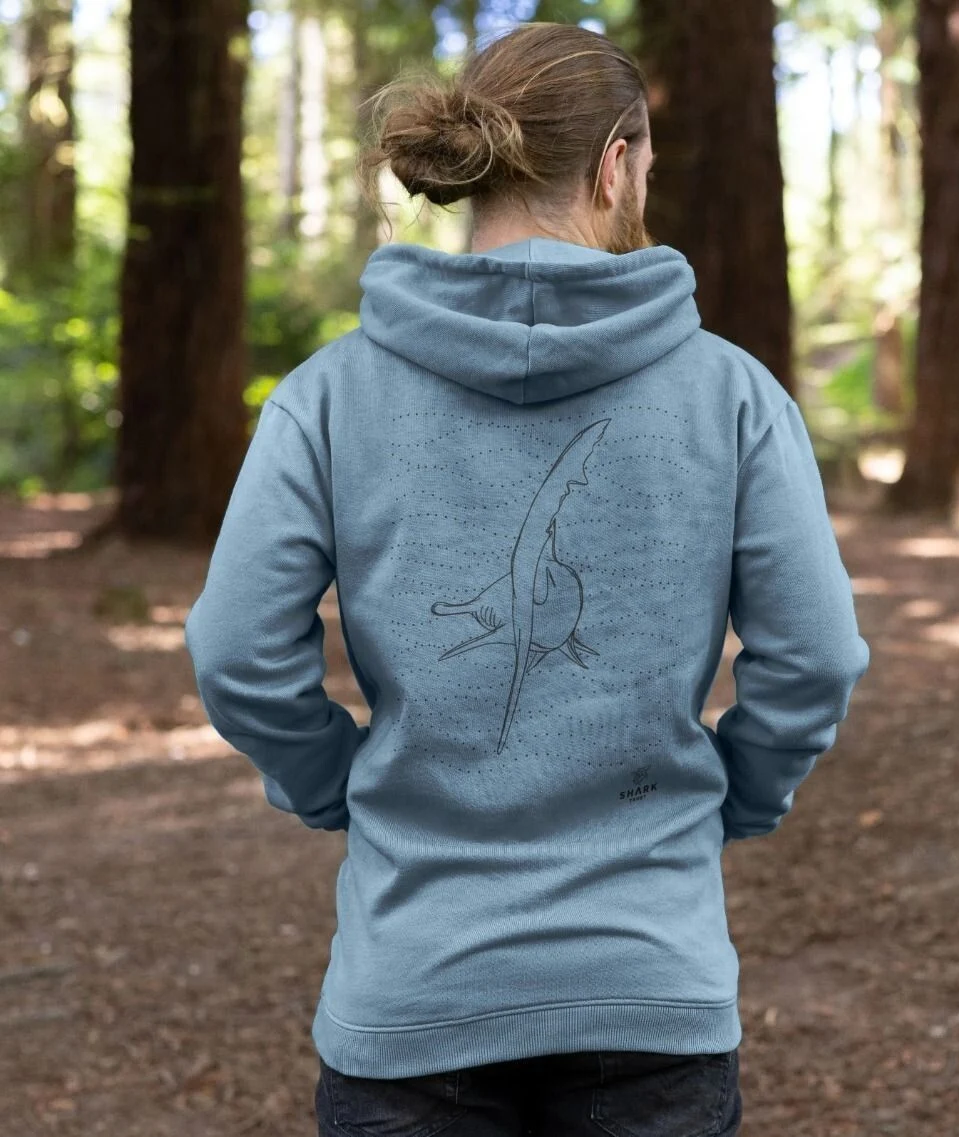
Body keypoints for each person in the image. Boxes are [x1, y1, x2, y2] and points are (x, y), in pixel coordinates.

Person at [184, 20, 870, 1137]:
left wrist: (337, 787)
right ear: (615, 165)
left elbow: (235, 652)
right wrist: (733, 798)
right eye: (645, 165)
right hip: (650, 982)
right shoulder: (734, 396)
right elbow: (818, 657)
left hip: (413, 986)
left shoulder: (328, 395)